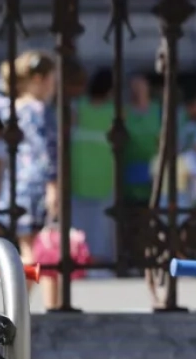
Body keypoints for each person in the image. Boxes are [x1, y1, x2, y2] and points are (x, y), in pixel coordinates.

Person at [0, 50, 59, 307]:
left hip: (17, 184)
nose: (54, 86)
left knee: (29, 247)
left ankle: (17, 306)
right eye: (51, 79)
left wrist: (19, 67)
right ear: (39, 79)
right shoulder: (39, 110)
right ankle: (52, 306)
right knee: (44, 249)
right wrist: (54, 184)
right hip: (37, 183)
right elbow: (46, 149)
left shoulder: (13, 107)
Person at [70, 67, 117, 270]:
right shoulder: (114, 111)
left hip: (78, 170)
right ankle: (99, 261)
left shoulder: (77, 107)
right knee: (102, 222)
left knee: (78, 219)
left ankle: (79, 257)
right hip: (105, 172)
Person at [124, 72, 161, 207]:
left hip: (153, 166)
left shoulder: (158, 110)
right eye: (134, 88)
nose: (137, 91)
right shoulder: (125, 111)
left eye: (141, 87)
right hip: (129, 167)